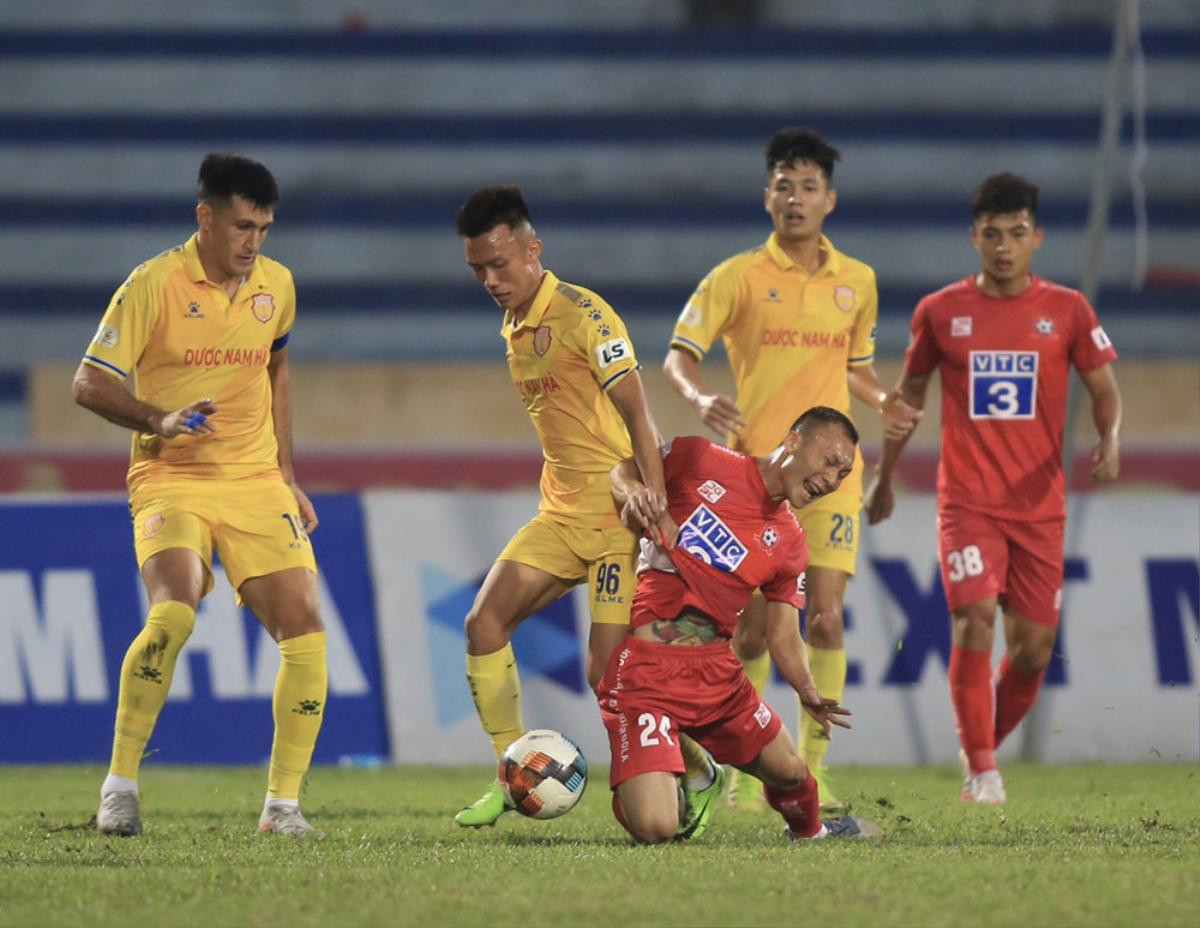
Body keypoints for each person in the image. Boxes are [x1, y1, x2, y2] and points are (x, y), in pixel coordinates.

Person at [663, 127, 920, 810]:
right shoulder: (737, 276)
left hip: (831, 475)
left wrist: (883, 398)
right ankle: (748, 766)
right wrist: (697, 396)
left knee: (827, 620)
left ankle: (811, 769)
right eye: (784, 185)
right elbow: (678, 354)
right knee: (748, 631)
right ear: (767, 195)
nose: (796, 198)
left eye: (808, 187)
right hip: (758, 478)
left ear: (829, 199)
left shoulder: (856, 281)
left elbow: (855, 369)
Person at [453, 186, 722, 830]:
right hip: (558, 515)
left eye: (500, 264)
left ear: (532, 249)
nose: (491, 280)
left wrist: (654, 504)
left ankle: (699, 765)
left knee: (606, 672)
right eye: (478, 270)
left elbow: (637, 409)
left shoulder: (584, 314)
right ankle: (509, 772)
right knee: (482, 626)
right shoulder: (515, 325)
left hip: (614, 520)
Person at [73, 153, 327, 837]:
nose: (254, 243)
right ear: (205, 218)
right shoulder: (152, 284)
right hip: (172, 477)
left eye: (265, 229)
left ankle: (282, 808)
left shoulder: (278, 286)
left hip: (253, 482)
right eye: (243, 227)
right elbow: (87, 383)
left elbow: (276, 373)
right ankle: (119, 788)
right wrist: (157, 420)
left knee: (306, 634)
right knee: (174, 615)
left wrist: (288, 475)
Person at [864, 172, 1122, 804]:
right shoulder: (940, 312)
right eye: (991, 234)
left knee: (1033, 651)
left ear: (1036, 237)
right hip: (968, 502)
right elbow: (909, 401)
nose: (1003, 246)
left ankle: (977, 742)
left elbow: (1104, 387)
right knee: (974, 619)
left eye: (1016, 234)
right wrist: (885, 477)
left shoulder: (1067, 310)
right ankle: (982, 769)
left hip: (1040, 507)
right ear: (973, 237)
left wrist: (1110, 438)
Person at [601, 407, 881, 843]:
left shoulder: (790, 542)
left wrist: (808, 691)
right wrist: (635, 491)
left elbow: (783, 632)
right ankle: (663, 780)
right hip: (648, 674)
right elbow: (622, 471)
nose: (832, 479)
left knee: (790, 771)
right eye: (829, 461)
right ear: (793, 441)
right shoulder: (701, 459)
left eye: (843, 474)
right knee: (657, 828)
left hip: (717, 678)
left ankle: (813, 832)